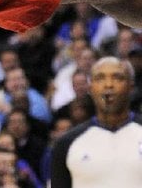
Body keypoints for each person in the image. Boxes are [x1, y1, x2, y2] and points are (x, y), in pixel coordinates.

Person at [49, 55, 142, 187]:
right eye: (100, 78)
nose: (108, 85)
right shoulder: (66, 144)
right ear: (90, 88)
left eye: (117, 78)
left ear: (131, 87)